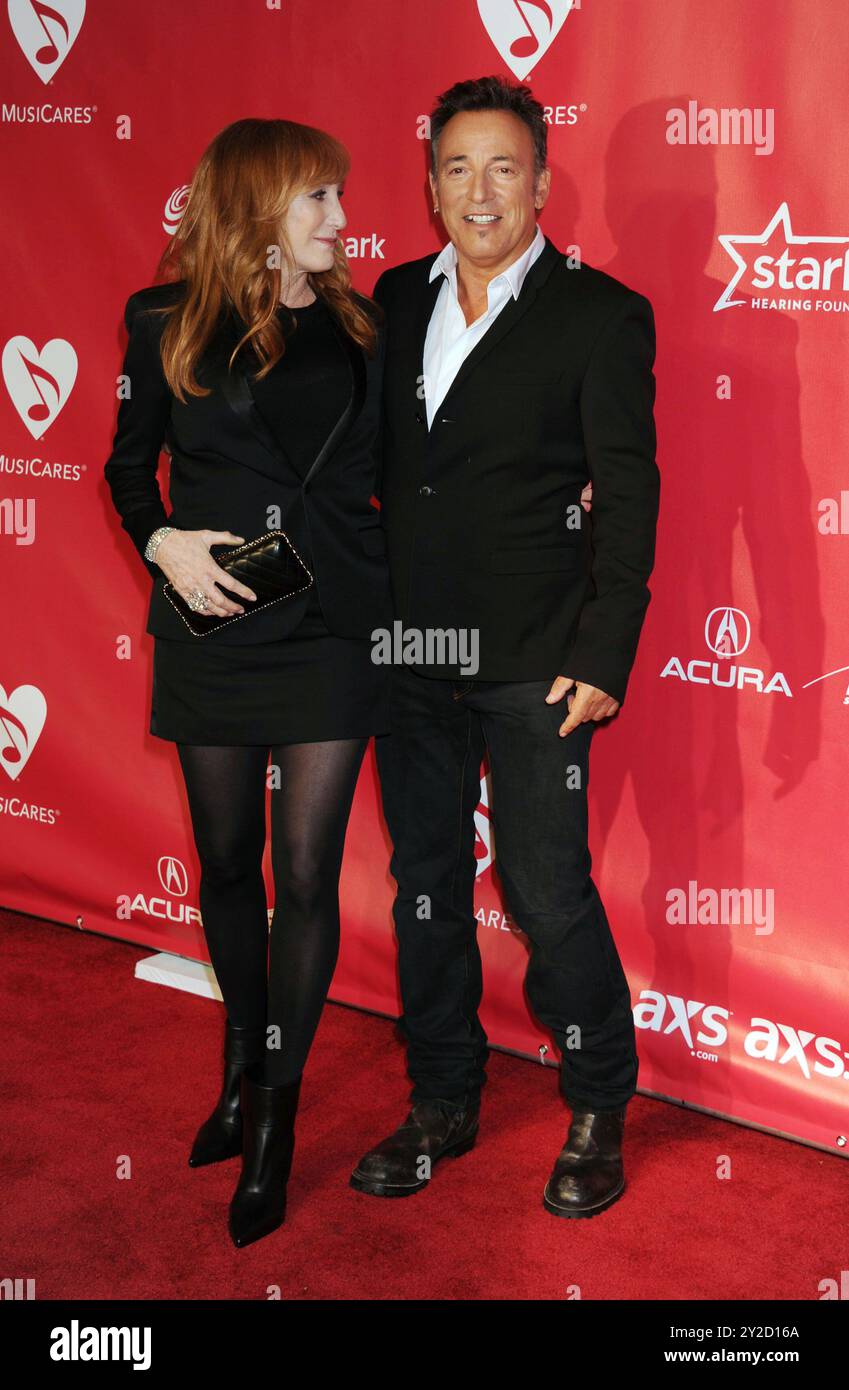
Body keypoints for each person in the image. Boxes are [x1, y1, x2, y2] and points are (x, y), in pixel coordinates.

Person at [351, 76, 660, 1218]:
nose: (479, 190)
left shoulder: (600, 314)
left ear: (540, 181)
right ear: (431, 185)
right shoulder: (391, 298)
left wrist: (605, 652)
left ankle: (598, 1100)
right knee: (426, 882)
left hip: (536, 656)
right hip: (410, 649)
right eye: (457, 167)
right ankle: (443, 1096)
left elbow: (628, 497)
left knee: (541, 887)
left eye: (503, 167)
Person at [103, 117, 392, 1249]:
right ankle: (238, 1060)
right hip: (218, 619)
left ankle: (272, 1110)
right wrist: (161, 540)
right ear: (255, 204)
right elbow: (127, 463)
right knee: (228, 863)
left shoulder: (365, 323)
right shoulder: (163, 318)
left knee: (306, 875)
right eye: (316, 196)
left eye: (337, 193)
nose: (339, 216)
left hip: (335, 628)